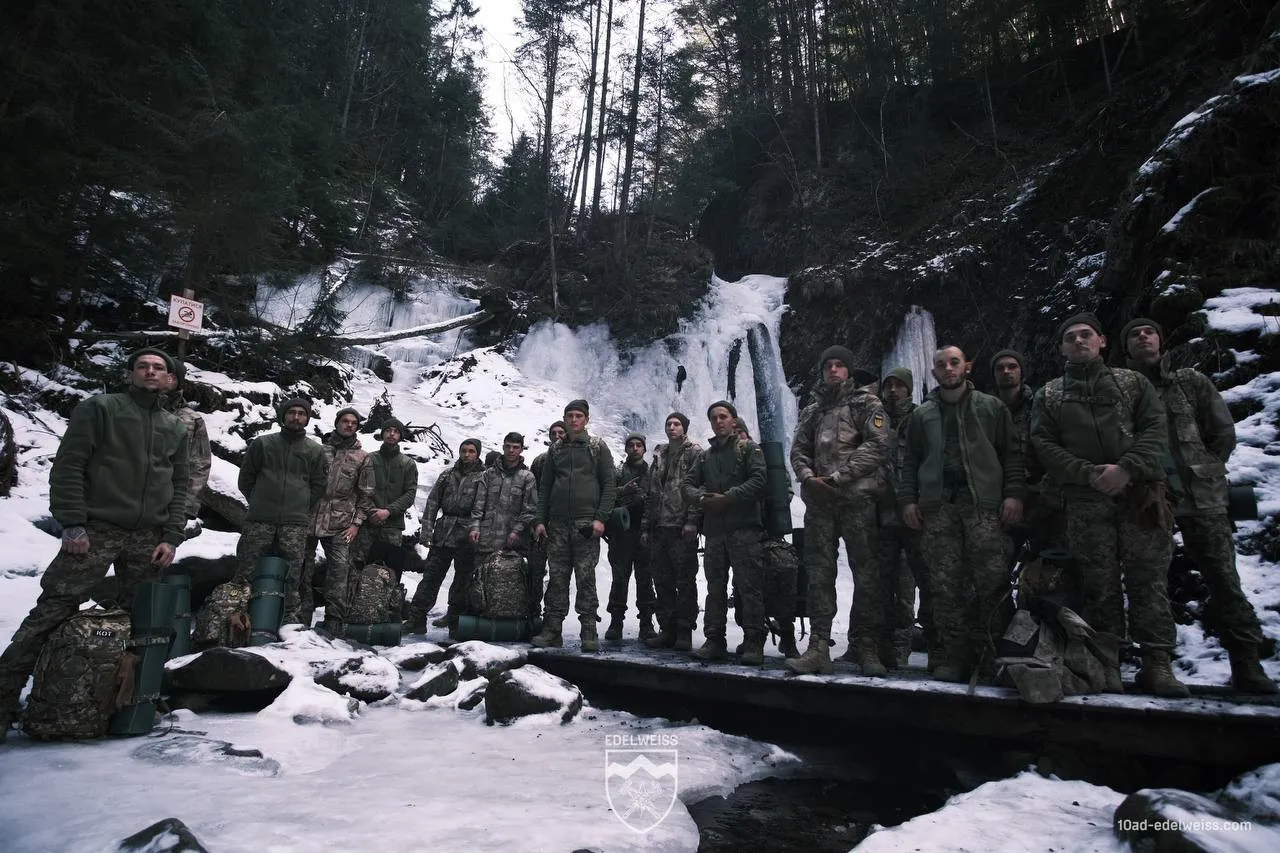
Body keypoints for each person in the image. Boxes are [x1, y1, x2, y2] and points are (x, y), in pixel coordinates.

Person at [0, 348, 189, 741]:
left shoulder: (175, 427)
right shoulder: (101, 409)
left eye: (159, 368)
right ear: (131, 373)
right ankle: (4, 702)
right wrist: (72, 524)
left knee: (142, 623)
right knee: (51, 612)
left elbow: (181, 486)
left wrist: (171, 536)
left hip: (147, 538)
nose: (151, 372)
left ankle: (121, 705)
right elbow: (70, 465)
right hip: (97, 529)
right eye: (143, 366)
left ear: (170, 378)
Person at [1031, 312, 1189, 697]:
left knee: (1148, 580)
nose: (1079, 341)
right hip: (1085, 501)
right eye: (1071, 337)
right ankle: (1109, 664)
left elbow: (1155, 429)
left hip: (1140, 495)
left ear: (1102, 341)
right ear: (1061, 348)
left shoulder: (1131, 383)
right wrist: (1087, 474)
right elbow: (1044, 445)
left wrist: (1127, 469)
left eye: (1086, 335)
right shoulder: (1049, 394)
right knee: (1098, 585)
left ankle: (1157, 664)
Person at [1122, 317, 1276, 694]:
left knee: (1224, 579)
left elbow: (1222, 431)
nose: (1143, 337)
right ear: (1125, 347)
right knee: (1149, 582)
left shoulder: (1190, 381)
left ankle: (1247, 664)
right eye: (1135, 335)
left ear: (1160, 339)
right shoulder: (1123, 390)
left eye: (1149, 331)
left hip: (1203, 496)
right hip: (1151, 497)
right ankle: (1157, 665)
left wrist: (1206, 468)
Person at [900, 346, 1023, 683]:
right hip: (939, 510)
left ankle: (996, 657)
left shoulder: (991, 407)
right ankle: (955, 658)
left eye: (954, 362)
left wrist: (1013, 495)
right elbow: (910, 462)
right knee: (945, 586)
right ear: (934, 372)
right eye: (941, 364)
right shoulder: (922, 415)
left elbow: (1011, 455)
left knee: (993, 583)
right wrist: (909, 501)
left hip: (983, 507)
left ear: (967, 366)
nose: (948, 368)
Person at [787, 346, 890, 676]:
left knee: (866, 573)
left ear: (848, 370)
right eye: (828, 365)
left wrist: (838, 477)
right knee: (819, 574)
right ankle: (819, 646)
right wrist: (807, 477)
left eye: (840, 365)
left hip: (857, 499)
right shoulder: (812, 411)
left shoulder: (866, 403)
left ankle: (867, 646)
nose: (833, 370)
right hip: (819, 503)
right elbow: (798, 450)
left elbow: (877, 445)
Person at [683, 401, 768, 664]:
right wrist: (702, 499)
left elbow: (759, 480)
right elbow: (687, 484)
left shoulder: (749, 449)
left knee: (749, 586)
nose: (718, 421)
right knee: (714, 587)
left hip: (744, 529)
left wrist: (728, 498)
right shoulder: (705, 456)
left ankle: (754, 642)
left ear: (733, 420)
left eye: (723, 416)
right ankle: (715, 639)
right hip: (715, 532)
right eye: (714, 418)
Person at [234, 397, 328, 625]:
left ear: (307, 418)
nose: (296, 417)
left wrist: (301, 504)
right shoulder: (263, 444)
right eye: (292, 412)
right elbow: (246, 478)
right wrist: (258, 500)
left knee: (292, 574)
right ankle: (237, 617)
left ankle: (287, 621)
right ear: (283, 416)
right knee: (246, 570)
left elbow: (319, 485)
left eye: (301, 414)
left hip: (294, 523)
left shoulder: (315, 450)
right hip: (260, 519)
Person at [531, 401, 616, 652]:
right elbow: (544, 488)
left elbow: (609, 484)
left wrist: (600, 518)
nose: (574, 420)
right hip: (557, 524)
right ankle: (552, 630)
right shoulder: (555, 450)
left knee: (586, 578)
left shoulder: (597, 447)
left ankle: (589, 630)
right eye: (570, 416)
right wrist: (539, 520)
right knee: (557, 578)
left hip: (585, 524)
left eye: (579, 416)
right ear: (564, 419)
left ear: (586, 420)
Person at [299, 408, 375, 633]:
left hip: (341, 522)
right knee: (302, 569)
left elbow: (366, 494)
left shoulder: (363, 457)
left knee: (339, 572)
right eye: (345, 421)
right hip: (309, 516)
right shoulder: (318, 450)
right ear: (337, 423)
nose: (349, 425)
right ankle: (300, 618)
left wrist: (356, 523)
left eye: (353, 422)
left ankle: (334, 621)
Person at [876, 367, 932, 668]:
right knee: (883, 583)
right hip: (883, 515)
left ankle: (909, 644)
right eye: (889, 385)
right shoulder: (876, 418)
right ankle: (885, 648)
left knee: (917, 580)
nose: (893, 390)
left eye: (899, 385)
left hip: (914, 512)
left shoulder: (922, 417)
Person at [406, 439, 485, 633]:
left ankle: (455, 621)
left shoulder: (485, 478)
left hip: (468, 535)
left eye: (471, 451)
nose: (467, 454)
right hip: (444, 532)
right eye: (463, 450)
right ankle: (417, 619)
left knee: (463, 580)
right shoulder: (447, 475)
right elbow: (433, 503)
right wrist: (427, 530)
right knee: (431, 577)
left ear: (478, 454)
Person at [643, 413, 702, 651]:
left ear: (684, 427)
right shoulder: (659, 454)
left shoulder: (694, 452)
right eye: (668, 424)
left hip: (681, 527)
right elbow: (651, 493)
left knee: (685, 580)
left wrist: (692, 521)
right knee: (662, 580)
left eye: (676, 424)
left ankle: (685, 631)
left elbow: (698, 488)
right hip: (660, 527)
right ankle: (667, 629)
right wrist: (646, 526)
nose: (671, 427)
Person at [991, 349, 1055, 556]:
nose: (1006, 371)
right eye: (1000, 368)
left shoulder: (1042, 405)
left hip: (1041, 499)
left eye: (1012, 367)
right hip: (999, 499)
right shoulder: (986, 411)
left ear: (1021, 372)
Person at [605, 433, 655, 642]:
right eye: (631, 445)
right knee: (619, 579)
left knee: (645, 579)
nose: (635, 448)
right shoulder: (617, 472)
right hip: (621, 534)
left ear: (644, 449)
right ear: (626, 449)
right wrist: (622, 492)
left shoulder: (653, 473)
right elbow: (606, 495)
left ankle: (647, 624)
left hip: (645, 534)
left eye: (638, 445)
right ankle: (616, 623)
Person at [355, 418, 419, 571]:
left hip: (393, 526)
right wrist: (371, 511)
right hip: (367, 523)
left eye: (396, 431)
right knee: (358, 565)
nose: (391, 434)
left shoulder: (408, 464)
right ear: (382, 434)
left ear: (400, 436)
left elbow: (410, 494)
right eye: (388, 430)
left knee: (388, 571)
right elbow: (359, 488)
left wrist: (388, 511)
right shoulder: (369, 458)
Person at [469, 432, 538, 556]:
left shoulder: (527, 477)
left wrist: (517, 531)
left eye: (516, 447)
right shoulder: (489, 474)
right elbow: (478, 504)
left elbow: (530, 510)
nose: (511, 450)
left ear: (521, 449)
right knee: (479, 573)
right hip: (485, 540)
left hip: (512, 542)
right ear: (503, 447)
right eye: (508, 446)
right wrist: (475, 527)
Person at [162, 363, 211, 531]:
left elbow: (199, 466)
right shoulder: (122, 410)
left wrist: (185, 509)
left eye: (172, 375)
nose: (164, 377)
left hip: (165, 506)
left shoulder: (192, 420)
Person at [528, 420, 567, 618]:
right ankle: (532, 612)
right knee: (536, 569)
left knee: (558, 573)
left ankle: (553, 617)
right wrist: (536, 521)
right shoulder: (540, 461)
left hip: (564, 524)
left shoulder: (574, 458)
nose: (557, 436)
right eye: (553, 433)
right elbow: (532, 494)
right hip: (542, 523)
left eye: (561, 432)